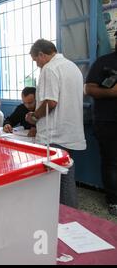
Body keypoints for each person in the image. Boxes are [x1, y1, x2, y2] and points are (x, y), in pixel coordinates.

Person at [25, 39, 86, 208]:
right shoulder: (73, 68)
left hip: (54, 133)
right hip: (70, 131)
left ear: (41, 55)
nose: (37, 65)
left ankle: (62, 218)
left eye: (36, 60)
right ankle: (71, 216)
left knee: (54, 181)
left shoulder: (49, 68)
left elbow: (50, 102)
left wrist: (34, 117)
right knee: (66, 175)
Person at [84, 43, 117, 216]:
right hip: (108, 122)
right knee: (111, 162)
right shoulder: (104, 62)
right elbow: (88, 89)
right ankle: (113, 201)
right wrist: (113, 92)